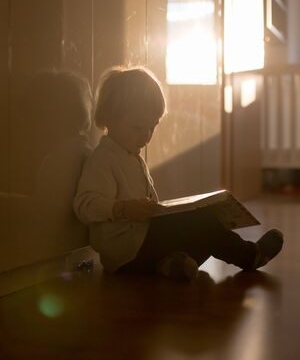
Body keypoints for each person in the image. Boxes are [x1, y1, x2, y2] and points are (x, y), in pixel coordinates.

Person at [74, 66, 283, 281]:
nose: (146, 135)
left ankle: (170, 265)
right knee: (202, 221)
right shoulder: (103, 159)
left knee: (202, 228)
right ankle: (250, 255)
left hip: (140, 251)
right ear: (109, 118)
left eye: (152, 127)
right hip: (126, 253)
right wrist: (122, 209)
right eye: (138, 127)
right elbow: (84, 205)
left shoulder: (131, 156)